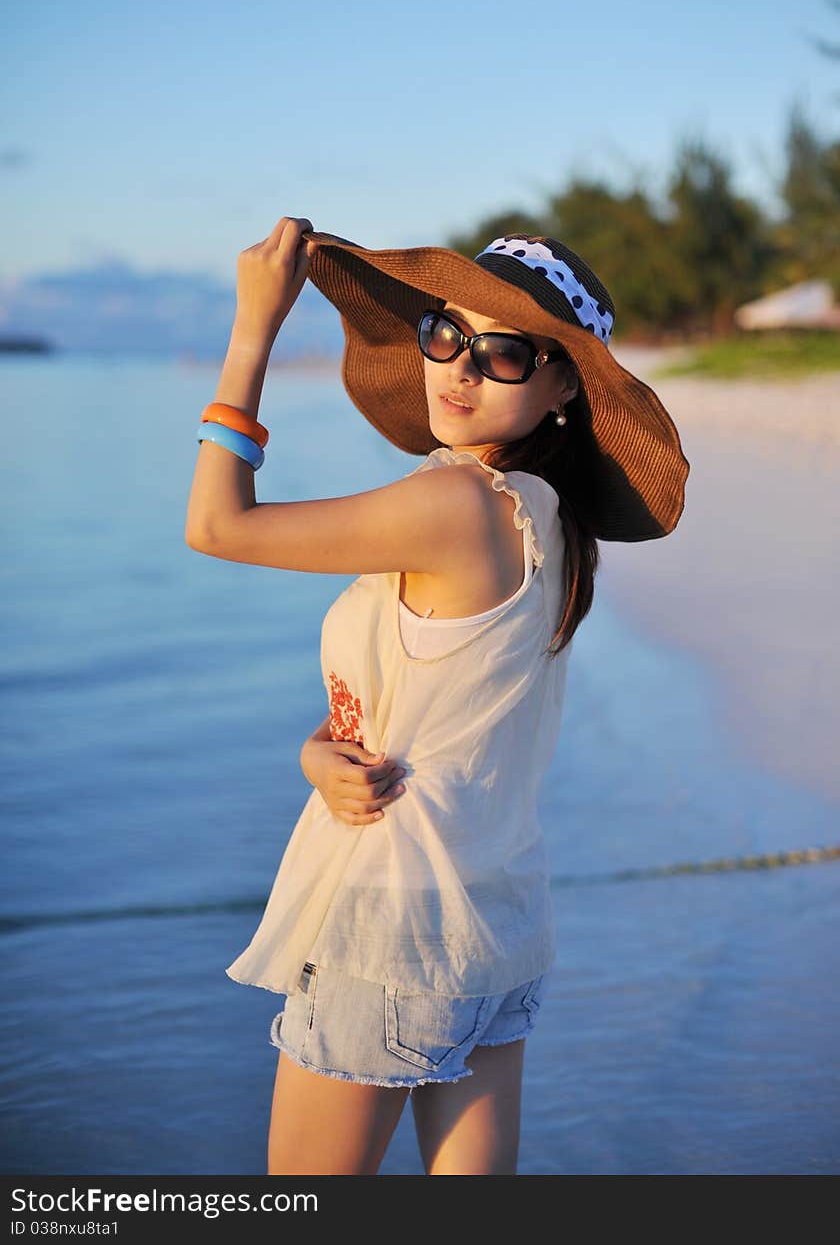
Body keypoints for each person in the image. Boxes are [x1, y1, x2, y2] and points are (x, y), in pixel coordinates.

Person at [185, 217, 689, 1175]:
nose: (459, 367)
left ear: (561, 386)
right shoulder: (553, 522)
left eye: (502, 353)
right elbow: (445, 714)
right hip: (492, 921)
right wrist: (316, 753)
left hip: (392, 929)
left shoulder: (455, 508)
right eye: (444, 334)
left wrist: (254, 329)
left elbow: (217, 523)